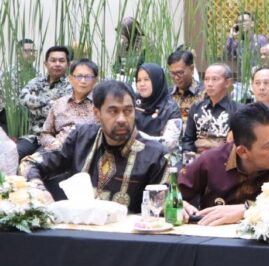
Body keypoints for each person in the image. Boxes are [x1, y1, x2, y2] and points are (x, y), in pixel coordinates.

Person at [23, 80, 169, 212]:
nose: (122, 119)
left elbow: (166, 206)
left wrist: (166, 205)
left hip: (130, 232)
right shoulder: (81, 139)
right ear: (96, 113)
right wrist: (39, 190)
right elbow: (29, 163)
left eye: (128, 111)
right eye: (113, 111)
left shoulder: (155, 154)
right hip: (79, 230)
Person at [179, 103, 269, 226]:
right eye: (268, 146)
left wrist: (247, 209)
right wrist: (177, 204)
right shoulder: (211, 161)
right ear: (242, 151)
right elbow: (171, 192)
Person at [18, 45, 73, 159]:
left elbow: (59, 113)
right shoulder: (36, 81)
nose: (57, 64)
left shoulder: (71, 85)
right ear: (45, 63)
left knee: (37, 160)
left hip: (55, 139)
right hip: (33, 137)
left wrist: (35, 106)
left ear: (68, 64)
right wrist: (51, 102)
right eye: (53, 60)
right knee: (14, 154)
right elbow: (23, 98)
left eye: (61, 61)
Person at [39, 59, 99, 151]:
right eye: (79, 76)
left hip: (86, 152)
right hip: (57, 151)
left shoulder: (100, 105)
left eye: (88, 77)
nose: (83, 81)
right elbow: (45, 133)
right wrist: (55, 144)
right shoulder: (59, 103)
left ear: (95, 80)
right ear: (70, 79)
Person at [182, 64, 240, 154]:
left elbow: (239, 145)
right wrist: (190, 156)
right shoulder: (196, 108)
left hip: (224, 160)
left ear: (227, 83)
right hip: (197, 159)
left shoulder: (238, 111)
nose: (209, 84)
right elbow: (188, 140)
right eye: (206, 79)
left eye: (215, 79)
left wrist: (212, 146)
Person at [134, 63, 182, 152]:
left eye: (146, 79)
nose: (142, 84)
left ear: (157, 81)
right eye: (139, 80)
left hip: (161, 156)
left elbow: (169, 143)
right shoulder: (133, 101)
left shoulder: (171, 108)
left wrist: (138, 137)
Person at [225, 11, 268, 77]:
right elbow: (228, 55)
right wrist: (231, 37)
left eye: (244, 21)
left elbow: (267, 59)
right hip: (242, 79)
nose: (242, 24)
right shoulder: (238, 43)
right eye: (239, 22)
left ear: (252, 24)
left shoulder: (260, 40)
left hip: (258, 77)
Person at [167, 48, 204, 124]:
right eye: (173, 73)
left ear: (192, 69)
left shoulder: (205, 93)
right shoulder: (167, 94)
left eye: (180, 73)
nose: (176, 77)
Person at [113, 17, 145, 81]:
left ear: (129, 33)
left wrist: (132, 72)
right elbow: (116, 66)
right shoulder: (122, 46)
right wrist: (120, 71)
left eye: (122, 34)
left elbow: (150, 70)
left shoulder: (146, 46)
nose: (121, 37)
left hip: (140, 81)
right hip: (123, 80)